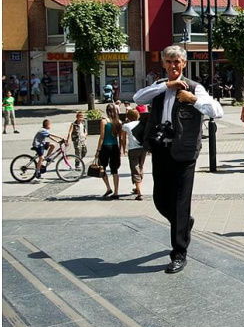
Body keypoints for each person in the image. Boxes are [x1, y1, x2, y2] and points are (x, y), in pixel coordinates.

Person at [134, 45, 223, 274]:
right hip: (161, 151)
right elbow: (137, 97)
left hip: (184, 153)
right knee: (160, 200)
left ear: (184, 64)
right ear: (164, 64)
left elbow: (217, 111)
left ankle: (179, 253)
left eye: (177, 62)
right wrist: (167, 85)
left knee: (181, 202)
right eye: (169, 62)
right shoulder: (160, 88)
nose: (173, 66)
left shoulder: (194, 87)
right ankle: (183, 222)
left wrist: (192, 99)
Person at [95, 104, 122, 200]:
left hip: (106, 146)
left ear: (107, 111)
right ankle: (116, 192)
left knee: (102, 167)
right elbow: (120, 137)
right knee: (115, 170)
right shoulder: (118, 122)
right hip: (115, 146)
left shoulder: (104, 121)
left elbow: (102, 137)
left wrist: (98, 149)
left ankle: (108, 187)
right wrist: (120, 149)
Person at [121, 109, 146, 201]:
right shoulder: (141, 124)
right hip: (142, 148)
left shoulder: (126, 126)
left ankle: (139, 193)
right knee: (140, 167)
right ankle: (137, 187)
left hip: (132, 148)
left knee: (134, 168)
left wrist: (123, 149)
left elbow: (123, 139)